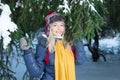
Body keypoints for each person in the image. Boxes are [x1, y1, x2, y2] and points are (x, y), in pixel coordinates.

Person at [20, 11, 86, 80]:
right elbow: (36, 72)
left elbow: (80, 60)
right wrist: (27, 51)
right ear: (49, 27)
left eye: (61, 25)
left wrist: (78, 38)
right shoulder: (44, 44)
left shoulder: (68, 43)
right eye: (55, 25)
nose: (59, 28)